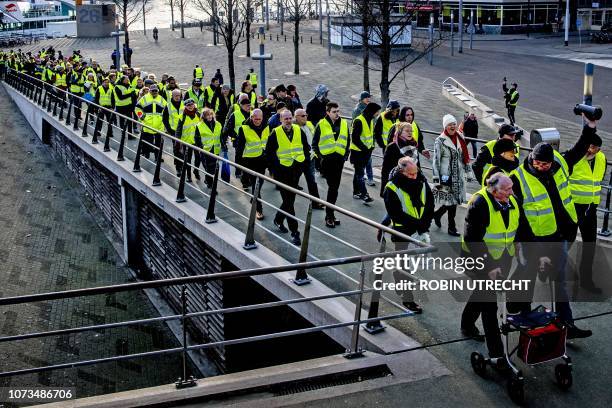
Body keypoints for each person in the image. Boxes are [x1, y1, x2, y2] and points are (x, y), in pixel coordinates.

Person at [508, 116, 599, 339]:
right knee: (528, 276)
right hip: (535, 240)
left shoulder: (558, 164)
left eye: (545, 164)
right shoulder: (517, 179)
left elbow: (579, 150)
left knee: (559, 280)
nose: (541, 167)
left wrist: (590, 127)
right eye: (538, 163)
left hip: (560, 235)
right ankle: (524, 314)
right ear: (531, 158)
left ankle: (566, 325)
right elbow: (516, 216)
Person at [460, 173, 518, 362]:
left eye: (511, 188)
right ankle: (497, 353)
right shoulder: (479, 204)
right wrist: (490, 265)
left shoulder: (512, 201)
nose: (512, 192)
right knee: (489, 304)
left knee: (482, 294)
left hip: (502, 257)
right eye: (507, 189)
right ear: (495, 191)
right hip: (480, 260)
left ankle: (467, 324)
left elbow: (521, 227)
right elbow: (472, 239)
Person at [384, 157, 434, 313]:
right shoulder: (391, 187)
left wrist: (425, 225)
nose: (414, 177)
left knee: (409, 265)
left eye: (415, 173)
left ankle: (398, 277)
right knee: (406, 267)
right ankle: (408, 299)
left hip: (420, 229)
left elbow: (430, 205)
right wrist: (418, 225)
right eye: (410, 174)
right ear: (401, 171)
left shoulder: (422, 182)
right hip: (402, 232)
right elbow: (396, 214)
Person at [266, 109, 311, 246]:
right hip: (282, 172)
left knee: (289, 199)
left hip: (296, 170)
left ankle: (278, 219)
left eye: (290, 118)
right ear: (280, 120)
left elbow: (305, 148)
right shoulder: (275, 133)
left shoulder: (298, 130)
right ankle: (295, 232)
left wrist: (304, 165)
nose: (288, 120)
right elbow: (269, 153)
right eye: (285, 118)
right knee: (289, 202)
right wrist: (276, 171)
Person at [569, 135, 606, 294]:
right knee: (566, 243)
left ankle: (586, 280)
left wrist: (594, 203)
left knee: (590, 246)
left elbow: (598, 180)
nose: (592, 151)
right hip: (573, 207)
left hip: (590, 209)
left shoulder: (601, 158)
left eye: (596, 149)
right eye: (590, 147)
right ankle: (547, 269)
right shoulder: (573, 157)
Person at [432, 114, 475, 237]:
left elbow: (464, 157)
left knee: (453, 201)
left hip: (459, 175)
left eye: (454, 124)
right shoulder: (440, 141)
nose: (453, 126)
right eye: (450, 124)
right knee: (451, 202)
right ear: (445, 126)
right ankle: (452, 227)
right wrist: (437, 179)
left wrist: (468, 171)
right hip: (446, 176)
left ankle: (437, 214)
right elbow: (436, 161)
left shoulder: (460, 137)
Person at [313, 102, 350, 228]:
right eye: (334, 111)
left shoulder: (344, 124)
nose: (337, 114)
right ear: (327, 112)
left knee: (334, 189)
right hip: (327, 162)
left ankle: (330, 214)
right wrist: (321, 159)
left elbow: (347, 141)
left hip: (339, 161)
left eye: (338, 111)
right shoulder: (321, 124)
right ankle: (329, 215)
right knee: (333, 188)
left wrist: (345, 156)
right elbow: (314, 144)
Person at [235, 109, 269, 220]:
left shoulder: (267, 127)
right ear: (251, 117)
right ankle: (259, 210)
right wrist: (238, 166)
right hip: (249, 161)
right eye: (255, 118)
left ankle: (254, 198)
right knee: (256, 184)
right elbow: (239, 149)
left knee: (260, 182)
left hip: (262, 160)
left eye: (259, 119)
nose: (257, 121)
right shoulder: (244, 128)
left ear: (262, 118)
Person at [295, 108, 323, 208]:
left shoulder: (309, 124)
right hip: (298, 160)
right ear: (296, 117)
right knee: (293, 181)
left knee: (312, 181)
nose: (305, 117)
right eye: (303, 116)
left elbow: (315, 138)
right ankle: (288, 203)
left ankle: (316, 202)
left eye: (306, 115)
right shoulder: (293, 128)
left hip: (310, 158)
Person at [135, 84, 167, 160]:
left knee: (158, 144)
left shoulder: (162, 99)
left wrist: (164, 119)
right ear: (150, 91)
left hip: (159, 125)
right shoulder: (144, 98)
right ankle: (146, 154)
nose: (154, 92)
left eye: (156, 90)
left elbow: (166, 110)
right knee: (147, 142)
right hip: (147, 124)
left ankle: (158, 157)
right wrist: (142, 117)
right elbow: (137, 109)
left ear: (158, 91)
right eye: (153, 90)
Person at [175, 99, 202, 182]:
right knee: (187, 159)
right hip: (186, 142)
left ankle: (196, 171)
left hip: (196, 142)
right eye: (188, 105)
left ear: (194, 105)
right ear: (185, 106)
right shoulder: (182, 116)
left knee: (198, 158)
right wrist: (178, 142)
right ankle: (189, 175)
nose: (190, 107)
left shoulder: (198, 114)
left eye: (191, 105)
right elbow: (178, 130)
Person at [352, 91, 375, 186]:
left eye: (369, 97)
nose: (368, 99)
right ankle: (369, 179)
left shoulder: (368, 108)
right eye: (366, 97)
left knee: (367, 161)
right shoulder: (358, 110)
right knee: (367, 161)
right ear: (362, 99)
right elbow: (356, 124)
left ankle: (365, 178)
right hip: (361, 141)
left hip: (368, 140)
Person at [196, 108, 222, 188]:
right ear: (204, 116)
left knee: (213, 169)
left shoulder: (218, 124)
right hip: (206, 150)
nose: (210, 116)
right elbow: (197, 138)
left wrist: (224, 145)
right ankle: (211, 185)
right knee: (208, 168)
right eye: (207, 115)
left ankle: (208, 180)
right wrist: (201, 147)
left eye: (211, 114)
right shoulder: (199, 126)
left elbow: (221, 136)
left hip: (216, 149)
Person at [163, 89, 185, 175]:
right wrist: (169, 130)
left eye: (178, 95)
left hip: (184, 131)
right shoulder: (168, 106)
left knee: (184, 150)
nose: (177, 97)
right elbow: (165, 119)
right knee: (176, 150)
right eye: (175, 95)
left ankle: (183, 165)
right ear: (172, 96)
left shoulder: (184, 104)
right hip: (174, 132)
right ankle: (178, 168)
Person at [113, 74, 135, 141]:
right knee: (122, 121)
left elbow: (134, 95)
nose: (128, 80)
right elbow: (121, 97)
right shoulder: (117, 87)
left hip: (129, 106)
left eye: (128, 79)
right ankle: (123, 134)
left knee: (130, 121)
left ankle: (130, 135)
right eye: (126, 79)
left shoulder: (130, 86)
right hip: (121, 107)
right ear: (122, 80)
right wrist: (130, 94)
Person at [93, 77, 115, 142]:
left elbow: (113, 99)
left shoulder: (111, 89)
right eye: (105, 82)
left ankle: (110, 133)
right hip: (101, 107)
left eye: (107, 82)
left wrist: (113, 107)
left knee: (110, 121)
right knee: (99, 120)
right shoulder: (99, 89)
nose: (106, 83)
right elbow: (96, 99)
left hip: (109, 107)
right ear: (102, 83)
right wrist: (98, 107)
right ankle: (98, 131)